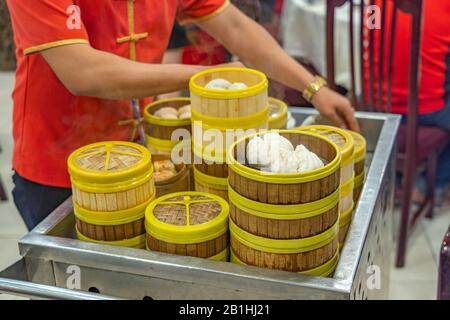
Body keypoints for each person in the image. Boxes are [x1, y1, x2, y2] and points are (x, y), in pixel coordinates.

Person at [7, 0, 359, 230]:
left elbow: (235, 27)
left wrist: (314, 88)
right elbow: (82, 73)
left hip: (139, 153)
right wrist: (206, 78)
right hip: (55, 166)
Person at [371, 0, 450, 208]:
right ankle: (431, 185)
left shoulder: (373, 3)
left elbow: (370, 37)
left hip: (374, 103)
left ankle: (395, 174)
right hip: (425, 108)